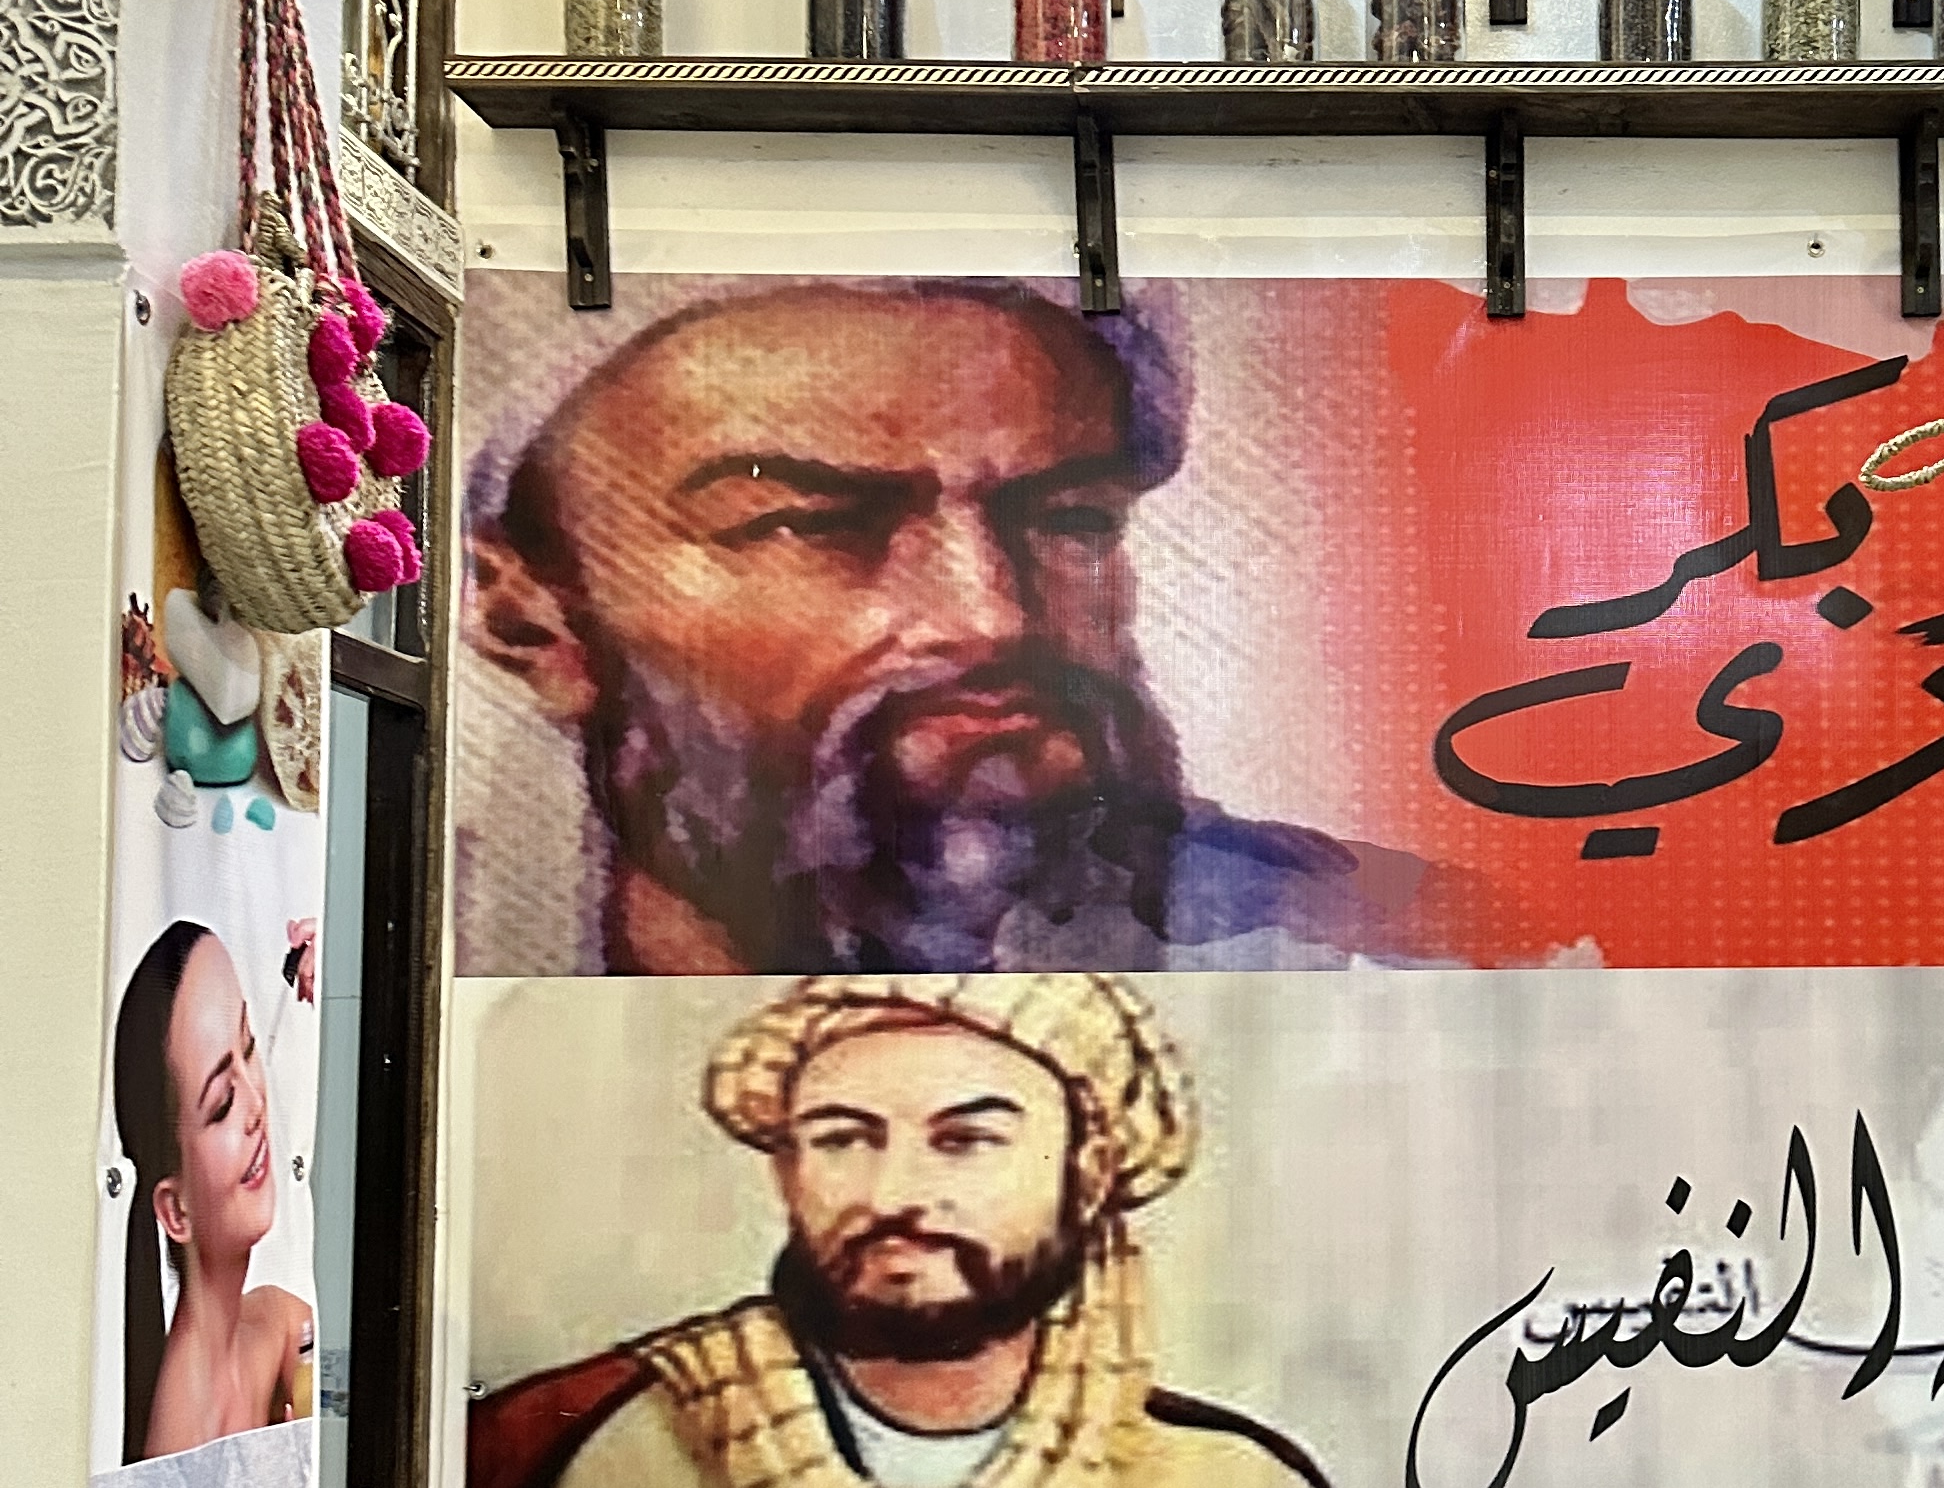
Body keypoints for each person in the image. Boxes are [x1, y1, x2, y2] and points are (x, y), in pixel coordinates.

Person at [464, 280, 1445, 974]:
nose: (989, 619)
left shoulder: (1391, 951)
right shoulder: (431, 958)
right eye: (805, 524)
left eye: (1071, 520)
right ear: (528, 616)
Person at [465, 971, 1371, 1488]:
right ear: (786, 1173)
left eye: (965, 1140)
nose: (893, 1193)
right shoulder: (633, 1465)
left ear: (1089, 1174)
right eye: (842, 1140)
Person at [112, 923, 314, 1462]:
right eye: (223, 1102)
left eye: (249, 1048)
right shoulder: (179, 1444)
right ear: (175, 1210)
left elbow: (323, 1345)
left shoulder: (268, 1324)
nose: (256, 1106)